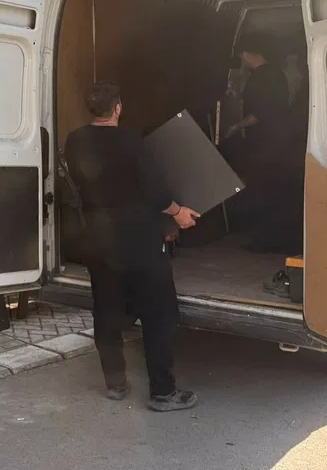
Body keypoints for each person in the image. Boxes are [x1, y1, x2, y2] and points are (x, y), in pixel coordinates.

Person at [64, 82, 201, 412]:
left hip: (96, 237)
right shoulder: (131, 141)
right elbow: (155, 193)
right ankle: (163, 392)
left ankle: (115, 383)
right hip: (137, 238)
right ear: (118, 108)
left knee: (107, 310)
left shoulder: (75, 140)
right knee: (158, 313)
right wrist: (178, 213)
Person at [226, 36, 297, 254]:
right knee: (277, 190)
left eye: (241, 56)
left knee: (262, 189)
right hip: (280, 142)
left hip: (265, 144)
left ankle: (264, 241)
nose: (241, 61)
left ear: (248, 54)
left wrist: (236, 126)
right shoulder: (277, 75)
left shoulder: (261, 77)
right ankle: (280, 239)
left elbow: (260, 113)